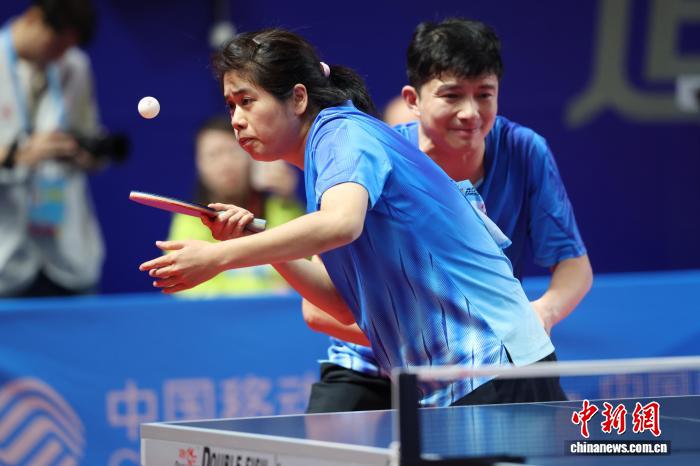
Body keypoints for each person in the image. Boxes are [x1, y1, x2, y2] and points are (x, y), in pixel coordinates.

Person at [139, 28, 559, 407]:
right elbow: (340, 304)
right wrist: (250, 238)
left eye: (247, 101)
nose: (236, 120)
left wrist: (218, 258)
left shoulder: (342, 133)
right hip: (450, 380)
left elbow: (341, 224)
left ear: (298, 98)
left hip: (495, 360)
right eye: (231, 106)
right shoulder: (323, 170)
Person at [303, 18, 592, 412]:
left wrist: (543, 310)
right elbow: (317, 311)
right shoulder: (371, 154)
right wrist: (417, 345)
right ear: (413, 100)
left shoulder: (524, 151)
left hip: (478, 362)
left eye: (484, 95)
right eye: (452, 95)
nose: (470, 112)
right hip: (369, 362)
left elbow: (574, 265)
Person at [0, 0, 105, 297]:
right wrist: (19, 155)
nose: (59, 56)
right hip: (5, 252)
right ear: (34, 18)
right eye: (56, 45)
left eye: (67, 49)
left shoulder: (75, 65)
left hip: (65, 249)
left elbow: (88, 134)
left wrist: (84, 152)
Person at [167, 116, 304, 296]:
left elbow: (307, 263)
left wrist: (287, 201)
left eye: (233, 151)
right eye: (213, 155)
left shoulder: (282, 207)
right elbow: (191, 290)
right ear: (199, 165)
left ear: (252, 158)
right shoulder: (189, 220)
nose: (226, 164)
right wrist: (268, 290)